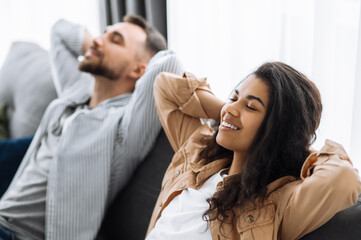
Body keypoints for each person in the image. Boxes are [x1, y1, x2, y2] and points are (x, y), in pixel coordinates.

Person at [0, 15, 183, 240]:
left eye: (116, 40)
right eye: (103, 33)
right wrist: (98, 46)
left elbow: (169, 64)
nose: (98, 39)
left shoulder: (123, 128)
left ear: (139, 70)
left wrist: (104, 49)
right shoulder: (76, 91)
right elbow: (60, 31)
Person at [146, 62, 361, 240]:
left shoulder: (275, 204)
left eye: (251, 107)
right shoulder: (199, 154)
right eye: (234, 98)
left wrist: (288, 141)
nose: (230, 107)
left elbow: (344, 179)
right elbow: (165, 85)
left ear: (276, 128)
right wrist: (228, 115)